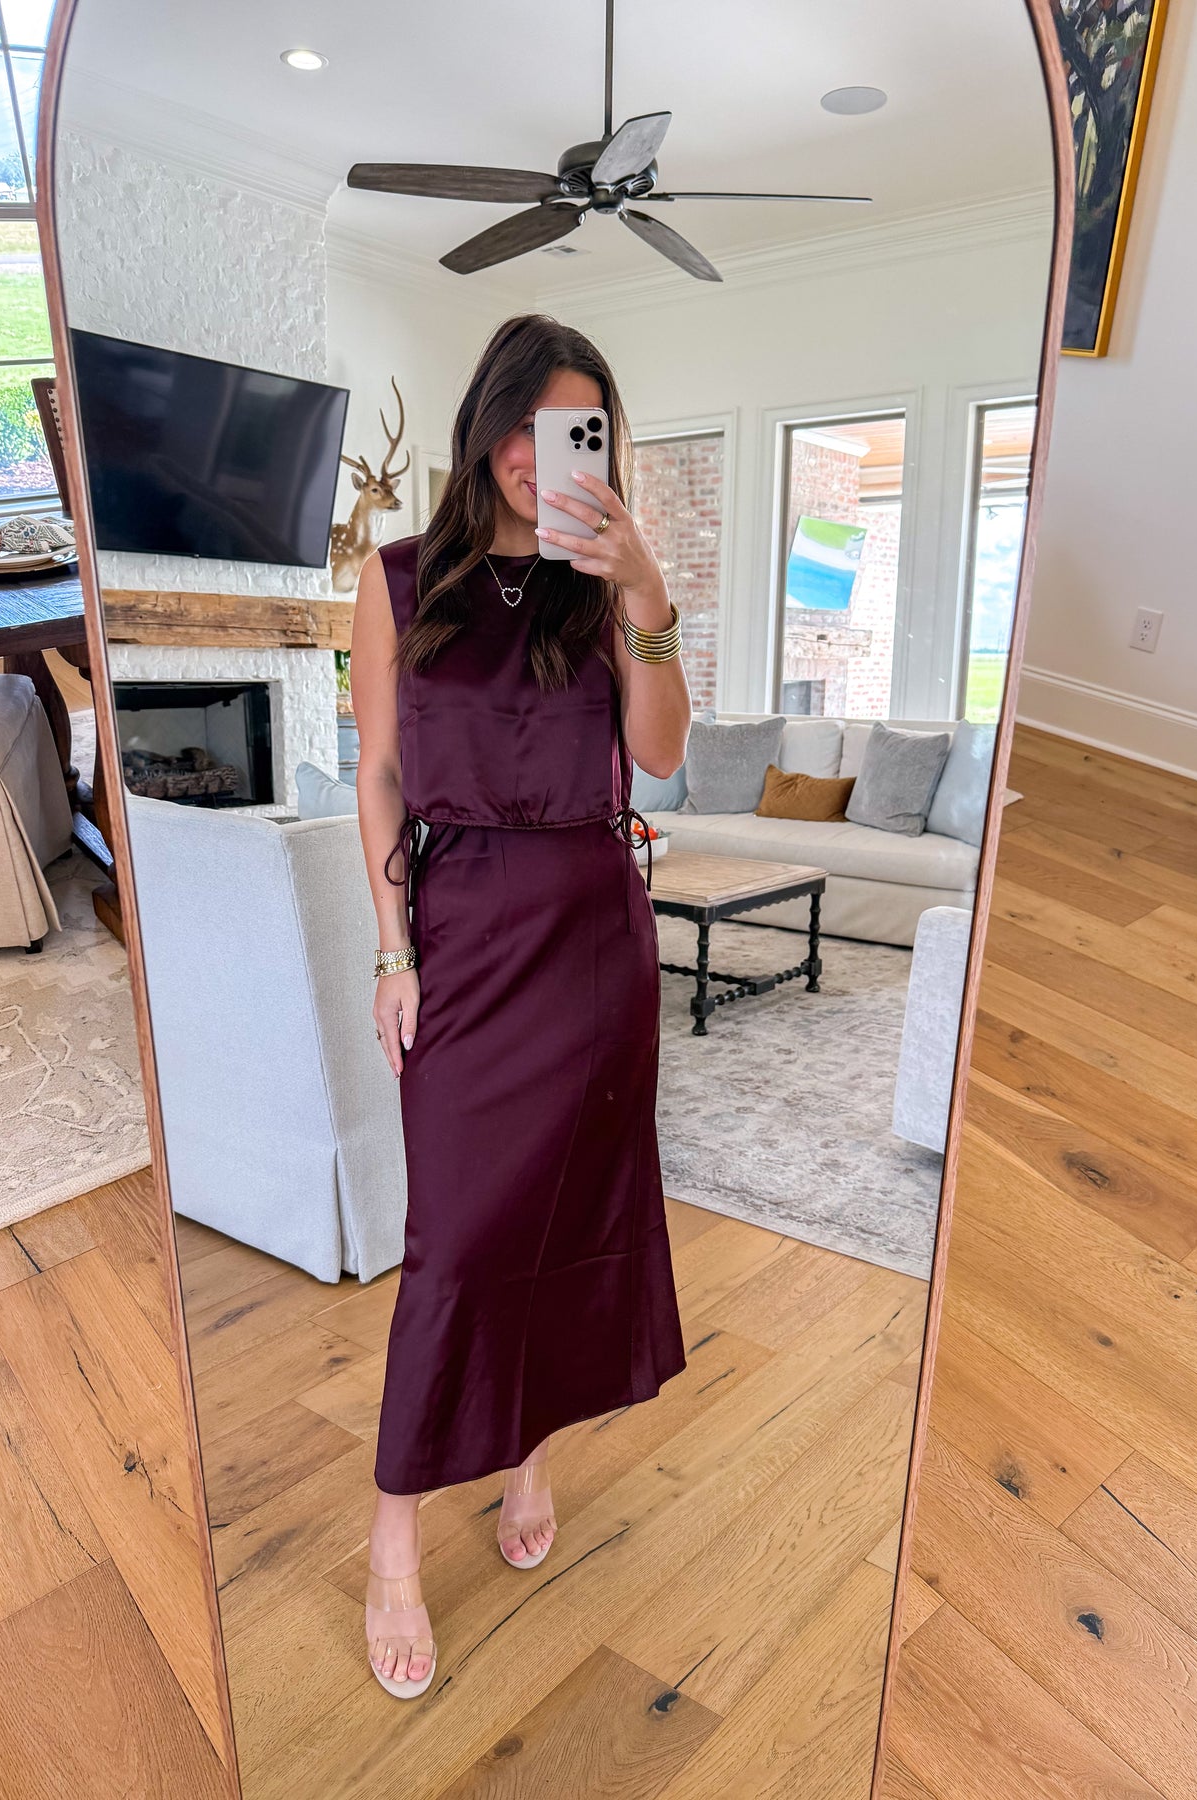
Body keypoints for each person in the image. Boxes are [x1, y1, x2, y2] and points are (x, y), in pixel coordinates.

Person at [348, 313, 691, 1700]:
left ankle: (528, 1454)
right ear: (485, 425)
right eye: (523, 428)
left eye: (570, 433)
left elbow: (657, 754)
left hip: (594, 934)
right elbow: (380, 775)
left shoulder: (603, 587)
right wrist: (391, 954)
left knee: (562, 1221)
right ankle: (392, 1533)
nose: (536, 459)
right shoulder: (397, 579)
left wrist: (645, 589)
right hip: (464, 929)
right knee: (453, 1240)